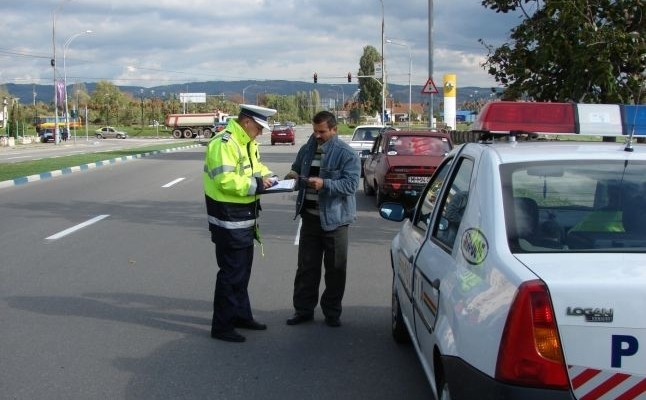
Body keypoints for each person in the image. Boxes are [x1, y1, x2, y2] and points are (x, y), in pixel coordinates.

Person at [203, 104, 277, 343]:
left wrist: (272, 178)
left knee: (242, 273)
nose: (261, 132)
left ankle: (241, 315)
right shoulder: (224, 143)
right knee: (231, 274)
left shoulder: (246, 142)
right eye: (258, 127)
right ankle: (222, 326)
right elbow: (225, 180)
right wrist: (257, 185)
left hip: (244, 217)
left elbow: (257, 169)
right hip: (229, 219)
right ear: (246, 122)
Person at [284, 110, 361, 328]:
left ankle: (332, 313)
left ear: (334, 130)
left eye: (322, 131)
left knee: (335, 271)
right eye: (315, 131)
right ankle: (303, 310)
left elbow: (351, 186)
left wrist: (325, 184)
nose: (317, 135)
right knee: (306, 269)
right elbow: (297, 171)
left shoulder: (346, 154)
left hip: (336, 222)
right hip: (309, 219)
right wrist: (292, 177)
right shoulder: (307, 149)